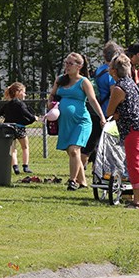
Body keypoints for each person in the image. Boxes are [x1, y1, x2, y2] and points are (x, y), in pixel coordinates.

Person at [49, 52, 106, 191]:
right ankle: (83, 182)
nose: (67, 66)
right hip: (65, 122)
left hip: (81, 121)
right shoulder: (60, 80)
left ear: (79, 66)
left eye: (70, 63)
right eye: (66, 63)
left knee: (74, 150)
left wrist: (102, 117)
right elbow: (52, 95)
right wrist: (50, 104)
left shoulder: (84, 81)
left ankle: (72, 181)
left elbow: (92, 100)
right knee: (72, 153)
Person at [106, 54, 139, 209]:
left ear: (114, 71)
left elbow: (109, 111)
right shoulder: (132, 84)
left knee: (134, 163)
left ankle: (136, 201)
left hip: (131, 129)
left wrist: (115, 114)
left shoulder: (118, 88)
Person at [0, 83, 36, 174]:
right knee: (25, 147)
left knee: (13, 149)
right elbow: (27, 114)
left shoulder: (8, 104)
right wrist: (34, 118)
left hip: (9, 128)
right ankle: (25, 166)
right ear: (17, 92)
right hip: (20, 128)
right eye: (24, 92)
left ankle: (15, 167)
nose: (25, 94)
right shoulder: (20, 104)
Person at [95, 41, 122, 112]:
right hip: (109, 111)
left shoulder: (98, 70)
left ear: (104, 55)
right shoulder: (112, 73)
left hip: (98, 109)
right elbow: (114, 95)